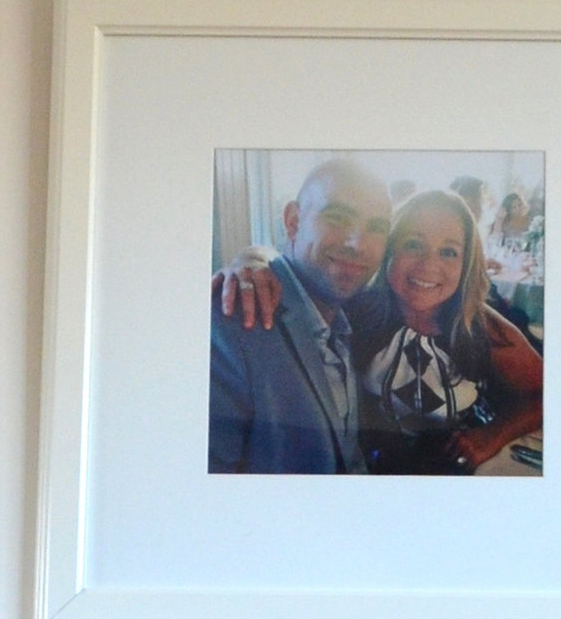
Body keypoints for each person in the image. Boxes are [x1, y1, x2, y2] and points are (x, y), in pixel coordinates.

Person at [206, 158, 390, 473]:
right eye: (337, 216)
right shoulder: (234, 316)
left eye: (376, 228)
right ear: (293, 220)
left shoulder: (357, 314)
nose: (358, 243)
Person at [357, 190, 543, 471]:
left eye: (448, 252)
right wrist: (265, 274)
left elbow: (549, 393)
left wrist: (492, 435)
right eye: (413, 245)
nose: (429, 265)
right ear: (389, 250)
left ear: (466, 264)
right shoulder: (356, 311)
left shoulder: (481, 327)